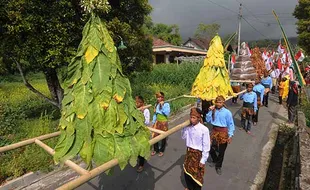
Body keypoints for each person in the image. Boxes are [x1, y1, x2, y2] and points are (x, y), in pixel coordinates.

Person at [182, 108, 210, 190]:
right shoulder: (188, 127)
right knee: (187, 172)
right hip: (189, 152)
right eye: (191, 117)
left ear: (199, 118)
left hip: (197, 154)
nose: (192, 119)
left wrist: (203, 160)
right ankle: (190, 188)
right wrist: (184, 128)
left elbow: (206, 146)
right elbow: (183, 137)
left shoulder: (204, 129)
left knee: (197, 174)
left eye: (194, 117)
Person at [206, 95, 235, 175]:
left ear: (223, 103)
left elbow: (231, 124)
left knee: (222, 151)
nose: (218, 104)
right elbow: (207, 120)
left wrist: (230, 135)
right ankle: (215, 159)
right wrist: (209, 111)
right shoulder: (213, 110)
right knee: (210, 148)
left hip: (223, 133)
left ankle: (218, 166)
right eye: (217, 102)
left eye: (220, 102)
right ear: (215, 102)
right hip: (214, 131)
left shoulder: (227, 112)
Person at [151, 92, 170, 157]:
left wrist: (162, 106)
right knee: (155, 135)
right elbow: (155, 114)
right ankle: (156, 149)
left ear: (163, 98)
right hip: (157, 121)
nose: (160, 99)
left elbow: (167, 113)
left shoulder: (166, 104)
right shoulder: (156, 104)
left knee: (163, 136)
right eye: (158, 97)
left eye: (161, 97)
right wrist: (153, 122)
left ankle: (161, 150)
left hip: (163, 122)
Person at [135, 96, 150, 173]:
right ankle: (139, 159)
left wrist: (142, 113)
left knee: (142, 148)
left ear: (142, 103)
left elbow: (147, 122)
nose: (136, 104)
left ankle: (141, 165)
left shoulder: (146, 110)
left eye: (138, 103)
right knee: (137, 147)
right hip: (137, 132)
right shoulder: (135, 110)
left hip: (143, 132)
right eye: (136, 102)